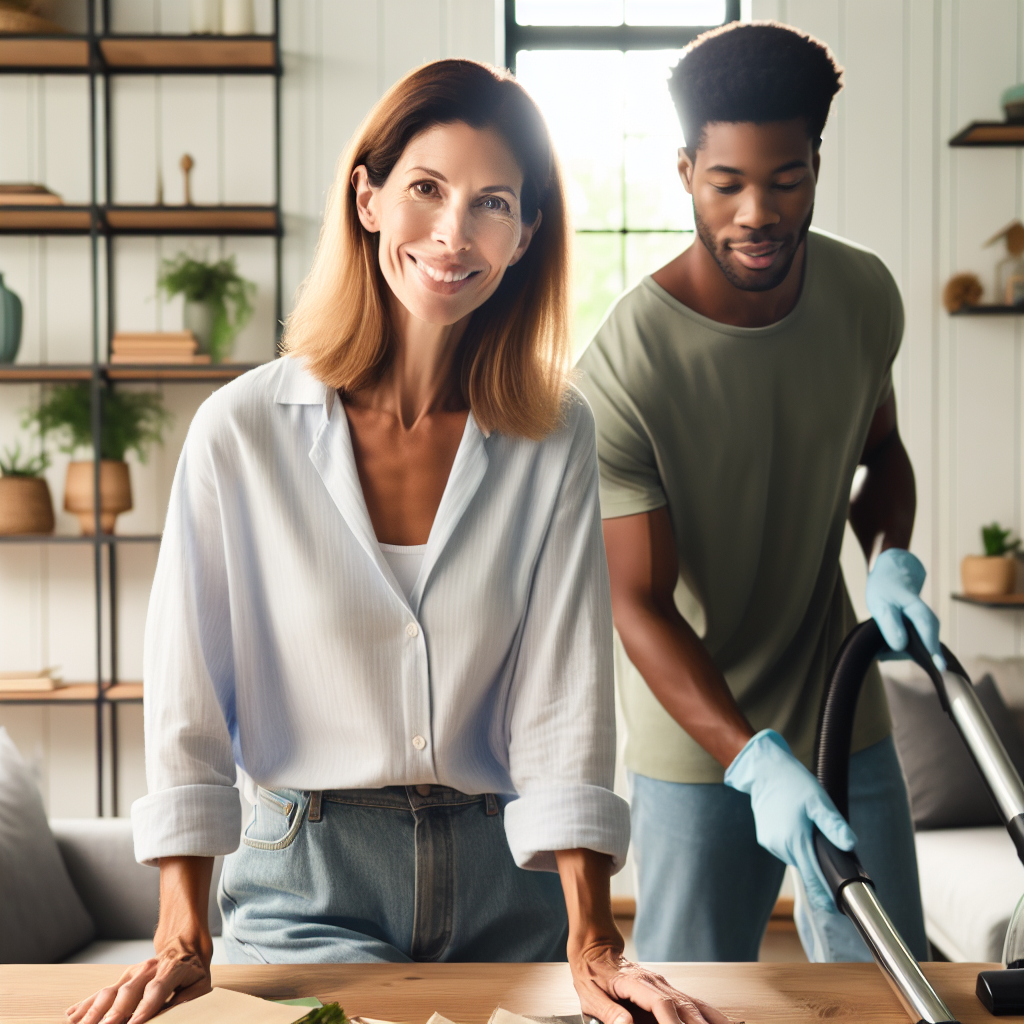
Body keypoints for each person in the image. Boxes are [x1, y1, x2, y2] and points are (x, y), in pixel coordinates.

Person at [65, 60, 730, 1024]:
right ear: (368, 198)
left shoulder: (556, 435)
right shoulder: (239, 431)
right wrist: (181, 932)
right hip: (306, 885)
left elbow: (564, 700)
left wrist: (595, 940)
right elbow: (187, 708)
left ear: (527, 231)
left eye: (492, 202)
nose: (454, 234)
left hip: (511, 888)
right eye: (426, 188)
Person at [577, 22, 939, 964]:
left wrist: (889, 555)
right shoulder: (625, 368)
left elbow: (882, 452)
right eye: (727, 182)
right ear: (687, 169)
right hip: (697, 742)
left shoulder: (864, 296)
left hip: (839, 706)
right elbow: (636, 602)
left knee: (888, 979)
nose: (756, 213)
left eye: (785, 179)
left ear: (815, 164)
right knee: (693, 991)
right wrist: (747, 757)